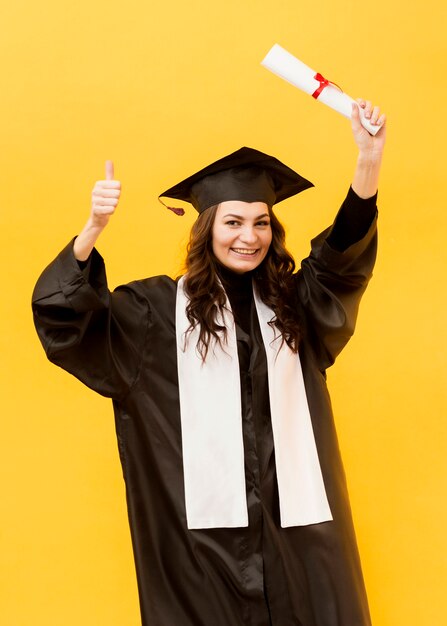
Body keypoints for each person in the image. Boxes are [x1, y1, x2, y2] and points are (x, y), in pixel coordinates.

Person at [32, 99, 386, 626]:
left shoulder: (295, 305)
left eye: (262, 222)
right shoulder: (152, 313)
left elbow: (343, 260)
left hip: (297, 532)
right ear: (206, 228)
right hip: (202, 545)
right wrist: (92, 231)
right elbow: (65, 320)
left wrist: (368, 160)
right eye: (234, 221)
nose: (250, 236)